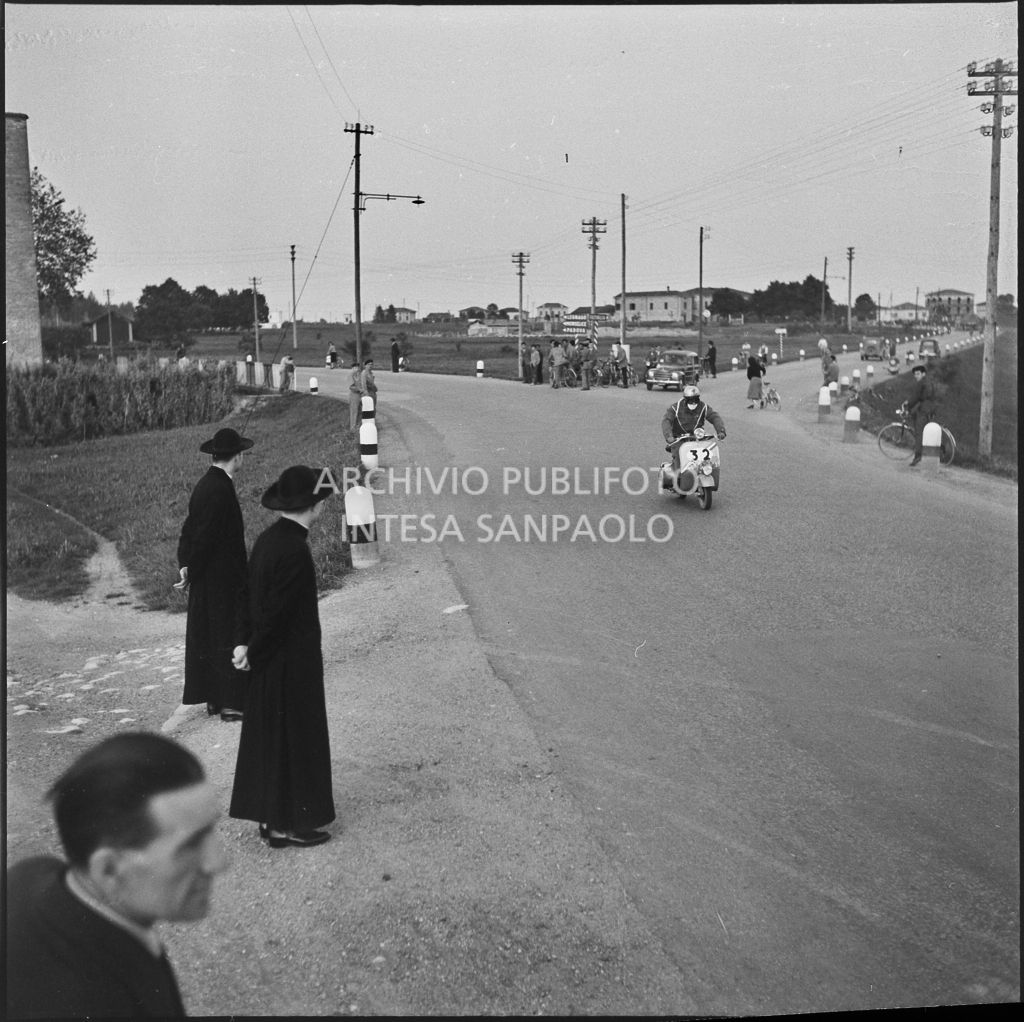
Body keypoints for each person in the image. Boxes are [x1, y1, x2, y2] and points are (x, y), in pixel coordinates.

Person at [5, 732, 228, 1019]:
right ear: (108, 870)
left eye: (211, 830)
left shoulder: (32, 873)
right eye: (190, 845)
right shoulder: (89, 1004)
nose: (220, 862)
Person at [229, 466, 336, 848]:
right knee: (295, 740)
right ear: (314, 506)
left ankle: (271, 821)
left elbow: (246, 594)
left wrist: (243, 644)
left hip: (268, 659)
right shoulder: (295, 550)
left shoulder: (267, 540)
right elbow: (278, 615)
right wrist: (253, 648)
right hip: (290, 662)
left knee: (272, 739)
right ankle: (291, 824)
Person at [176, 427, 253, 722]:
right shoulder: (220, 489)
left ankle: (215, 698)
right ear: (237, 456)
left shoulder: (206, 484)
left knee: (211, 634)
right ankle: (231, 702)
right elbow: (204, 536)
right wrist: (191, 570)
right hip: (222, 577)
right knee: (228, 633)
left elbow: (189, 529)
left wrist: (187, 565)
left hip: (209, 575)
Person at [661, 385, 726, 469]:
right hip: (678, 439)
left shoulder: (703, 407)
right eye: (690, 400)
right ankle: (678, 474)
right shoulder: (675, 408)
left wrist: (721, 431)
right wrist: (669, 436)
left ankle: (709, 471)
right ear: (685, 399)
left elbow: (714, 417)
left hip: (697, 438)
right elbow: (666, 420)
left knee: (709, 456)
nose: (693, 403)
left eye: (696, 399)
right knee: (678, 456)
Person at [906, 362, 936, 466]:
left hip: (924, 409)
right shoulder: (929, 382)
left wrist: (908, 406)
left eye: (918, 374)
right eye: (915, 374)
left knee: (919, 432)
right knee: (926, 432)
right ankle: (931, 450)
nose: (916, 376)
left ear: (923, 374)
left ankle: (918, 456)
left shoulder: (921, 383)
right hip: (930, 409)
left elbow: (915, 397)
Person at [348, 359, 363, 431]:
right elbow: (351, 386)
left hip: (360, 395)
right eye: (355, 367)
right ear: (352, 368)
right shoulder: (350, 375)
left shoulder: (359, 375)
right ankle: (353, 428)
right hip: (354, 395)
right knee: (354, 411)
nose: (357, 369)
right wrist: (359, 389)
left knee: (360, 410)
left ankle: (358, 426)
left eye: (357, 367)